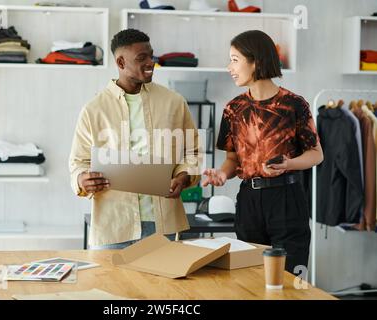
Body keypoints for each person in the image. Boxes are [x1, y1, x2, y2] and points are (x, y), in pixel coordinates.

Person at [202, 30, 324, 274]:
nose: (229, 67)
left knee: (290, 278)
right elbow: (233, 160)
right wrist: (222, 175)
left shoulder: (295, 104)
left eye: (234, 60)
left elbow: (316, 154)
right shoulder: (233, 109)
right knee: (250, 276)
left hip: (287, 198)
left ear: (255, 61)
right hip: (249, 201)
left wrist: (288, 164)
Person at [69, 29, 200, 250]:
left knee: (162, 286)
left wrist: (183, 177)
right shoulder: (93, 110)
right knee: (108, 286)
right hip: (113, 226)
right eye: (142, 58)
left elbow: (193, 153)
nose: (151, 62)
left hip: (162, 225)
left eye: (151, 55)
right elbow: (78, 162)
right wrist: (82, 179)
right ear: (121, 62)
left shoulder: (174, 102)